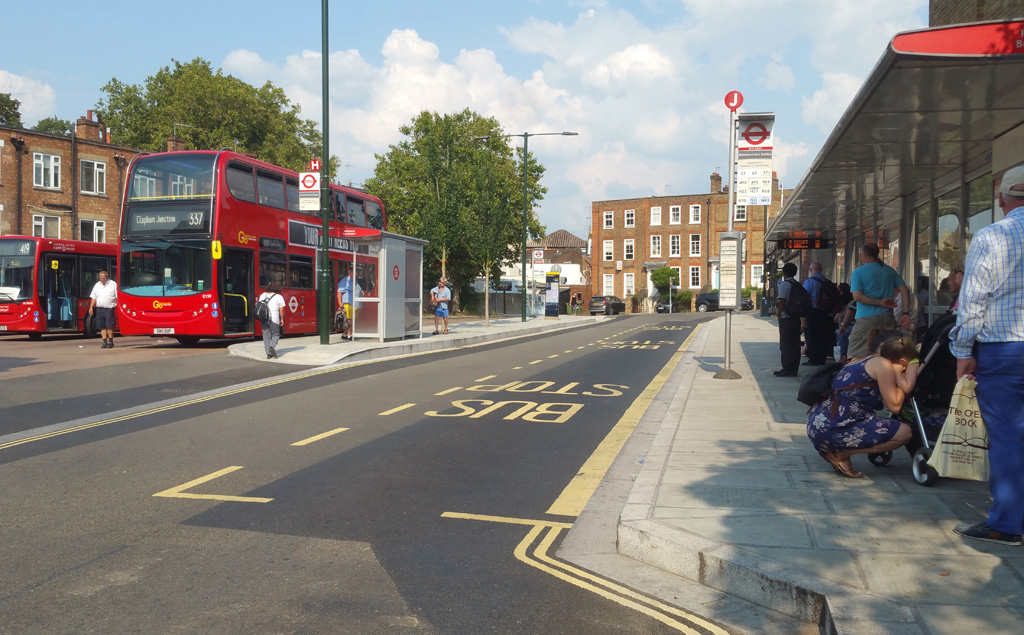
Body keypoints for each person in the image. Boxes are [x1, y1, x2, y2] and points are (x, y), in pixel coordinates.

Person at [948, 164, 1024, 546]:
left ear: (1002, 199)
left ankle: (1008, 523)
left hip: (1005, 349)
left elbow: (973, 300)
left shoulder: (992, 236)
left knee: (1008, 435)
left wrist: (963, 350)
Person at [807, 330, 918, 478]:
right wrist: (902, 374)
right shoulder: (882, 364)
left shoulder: (858, 358)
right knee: (904, 432)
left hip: (818, 426)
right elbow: (895, 406)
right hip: (834, 429)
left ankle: (838, 454)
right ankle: (841, 454)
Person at [847, 243, 912, 358]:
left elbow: (857, 297)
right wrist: (905, 313)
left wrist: (879, 302)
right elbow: (905, 290)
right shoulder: (889, 271)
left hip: (866, 318)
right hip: (887, 317)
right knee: (888, 353)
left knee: (854, 353)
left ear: (864, 255)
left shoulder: (858, 272)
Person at [802, 262, 835, 366]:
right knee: (822, 336)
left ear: (811, 270)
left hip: (813, 312)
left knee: (811, 335)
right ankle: (822, 358)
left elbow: (804, 297)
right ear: (821, 270)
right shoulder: (826, 281)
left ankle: (813, 359)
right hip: (825, 312)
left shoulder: (809, 282)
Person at [774, 263, 802, 377]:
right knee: (795, 343)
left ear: (784, 273)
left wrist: (779, 314)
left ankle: (786, 368)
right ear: (795, 273)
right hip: (796, 317)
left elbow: (782, 300)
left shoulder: (785, 284)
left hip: (787, 318)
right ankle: (794, 368)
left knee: (786, 344)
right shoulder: (798, 284)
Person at [88, 270, 118, 349]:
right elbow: (93, 297)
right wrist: (91, 307)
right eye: (101, 278)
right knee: (101, 326)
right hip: (99, 308)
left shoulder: (113, 284)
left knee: (109, 326)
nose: (102, 280)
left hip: (109, 308)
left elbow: (117, 296)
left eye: (104, 278)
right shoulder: (97, 285)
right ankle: (104, 342)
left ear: (107, 277)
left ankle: (110, 341)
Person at [257, 281, 286, 359]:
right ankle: (272, 347)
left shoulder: (262, 295)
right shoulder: (279, 297)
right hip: (274, 318)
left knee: (266, 336)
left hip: (263, 318)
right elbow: (281, 310)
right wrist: (282, 319)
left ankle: (268, 353)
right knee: (276, 334)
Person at [335, 268, 362, 341]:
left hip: (356, 304)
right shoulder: (344, 281)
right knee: (349, 320)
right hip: (348, 303)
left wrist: (361, 292)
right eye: (355, 273)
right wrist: (340, 303)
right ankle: (349, 335)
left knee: (352, 320)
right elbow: (339, 293)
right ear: (349, 272)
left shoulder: (355, 281)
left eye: (357, 273)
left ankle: (344, 334)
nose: (356, 274)